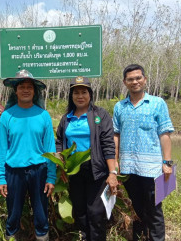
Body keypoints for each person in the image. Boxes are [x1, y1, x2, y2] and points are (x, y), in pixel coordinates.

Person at [113, 64, 174, 241]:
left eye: (138, 78)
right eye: (130, 79)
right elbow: (116, 135)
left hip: (152, 168)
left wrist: (167, 162)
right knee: (136, 208)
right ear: (125, 82)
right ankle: (139, 237)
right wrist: (115, 161)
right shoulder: (119, 107)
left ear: (145, 79)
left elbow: (164, 134)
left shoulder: (157, 103)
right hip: (128, 168)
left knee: (154, 209)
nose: (135, 82)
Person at [0, 69, 56, 241]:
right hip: (14, 172)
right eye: (22, 86)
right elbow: (1, 149)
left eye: (29, 86)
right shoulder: (7, 116)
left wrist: (51, 176)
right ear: (16, 91)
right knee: (13, 213)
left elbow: (50, 149)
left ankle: (42, 237)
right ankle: (11, 237)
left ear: (34, 91)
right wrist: (1, 177)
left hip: (39, 171)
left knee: (41, 214)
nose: (26, 90)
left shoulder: (44, 115)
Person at [56, 77, 118, 241]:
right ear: (71, 96)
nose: (80, 96)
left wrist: (112, 173)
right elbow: (59, 143)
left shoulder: (100, 115)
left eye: (84, 92)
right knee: (81, 213)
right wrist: (61, 165)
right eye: (76, 92)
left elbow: (108, 144)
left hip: (96, 171)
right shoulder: (66, 118)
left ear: (90, 94)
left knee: (96, 214)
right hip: (75, 172)